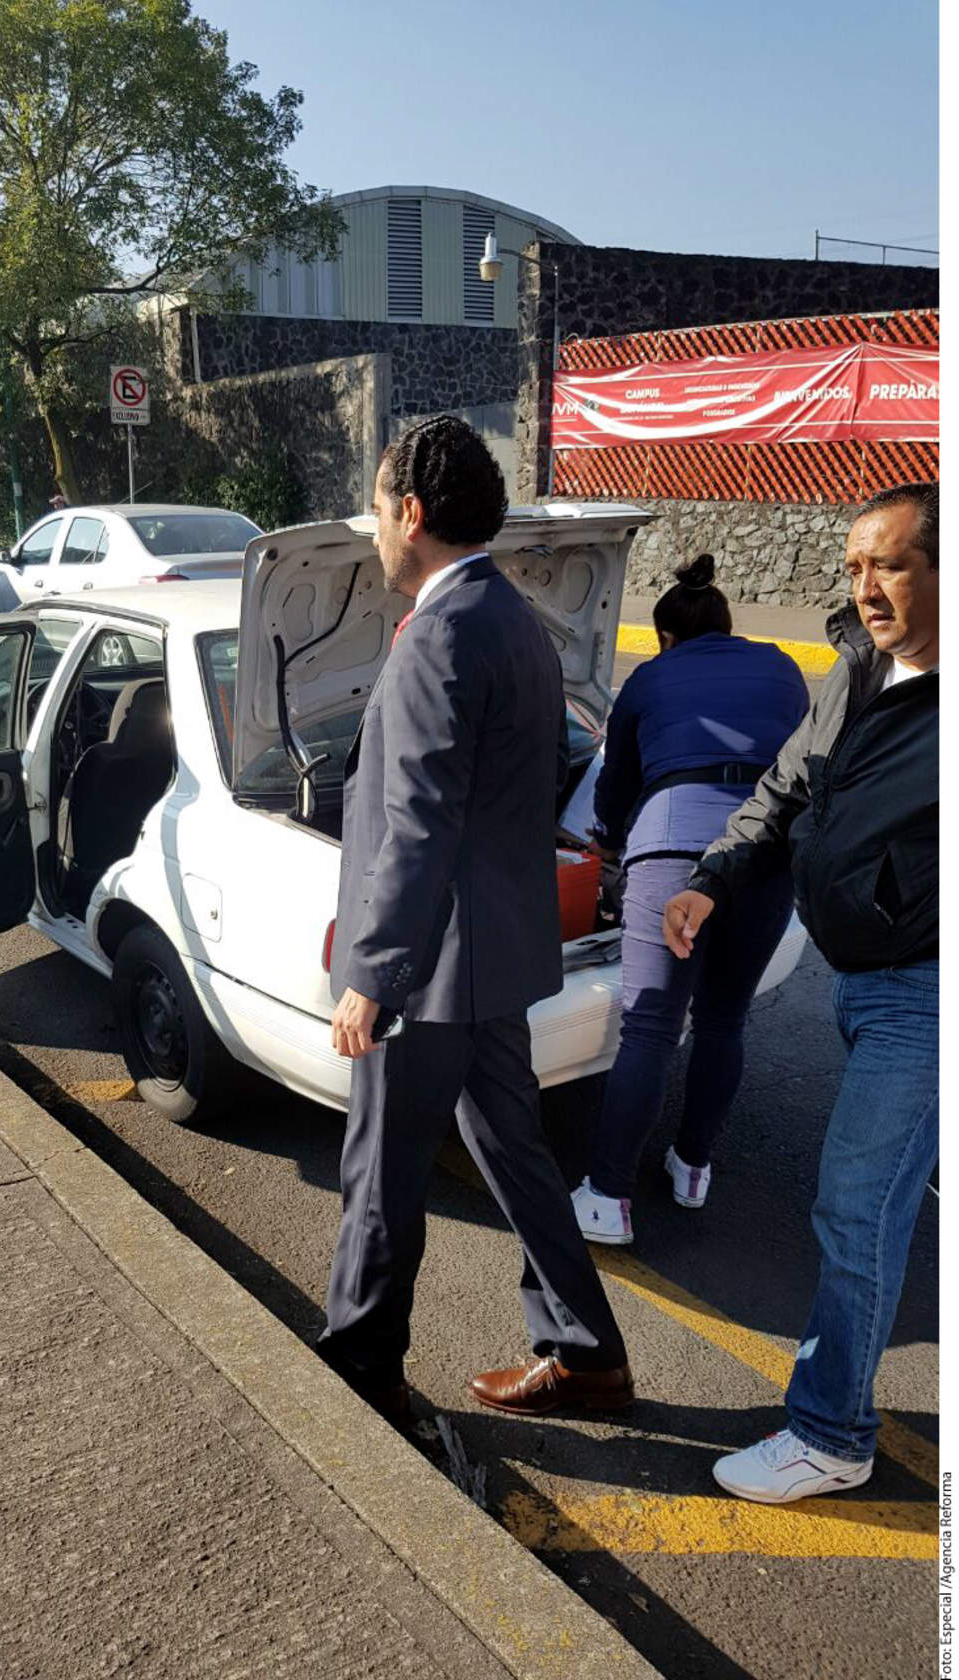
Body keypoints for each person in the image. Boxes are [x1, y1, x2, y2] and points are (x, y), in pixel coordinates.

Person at [317, 414, 632, 1429]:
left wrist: (373, 975)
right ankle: (586, 1353)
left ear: (409, 513)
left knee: (380, 1173)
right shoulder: (514, 618)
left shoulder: (438, 635)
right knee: (513, 1150)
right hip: (492, 953)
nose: (373, 528)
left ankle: (361, 1371)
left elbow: (416, 826)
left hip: (429, 969)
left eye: (376, 508)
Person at [663, 483, 938, 1504]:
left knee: (856, 1206)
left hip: (925, 991)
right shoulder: (857, 666)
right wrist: (709, 877)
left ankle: (829, 1435)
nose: (864, 588)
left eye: (889, 565)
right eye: (854, 567)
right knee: (884, 1200)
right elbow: (784, 786)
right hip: (861, 979)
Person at [571, 555, 809, 1245]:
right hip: (767, 855)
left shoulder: (651, 676)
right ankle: (693, 1166)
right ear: (728, 625)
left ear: (667, 638)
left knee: (650, 1027)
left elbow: (616, 784)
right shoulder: (783, 667)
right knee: (724, 1020)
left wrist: (605, 845)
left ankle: (607, 1197)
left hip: (674, 853)